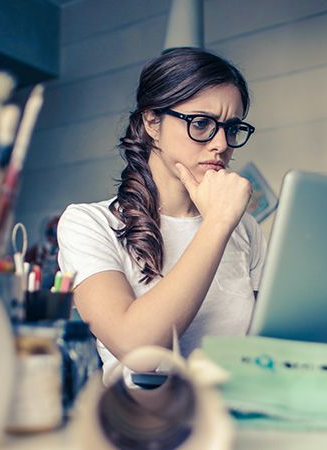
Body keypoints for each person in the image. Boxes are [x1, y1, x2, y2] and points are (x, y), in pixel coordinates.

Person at [57, 47, 266, 380]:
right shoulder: (89, 224)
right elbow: (139, 352)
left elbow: (261, 352)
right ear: (152, 122)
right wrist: (217, 224)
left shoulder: (246, 230)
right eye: (201, 123)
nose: (221, 144)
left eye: (231, 128)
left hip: (235, 419)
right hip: (141, 422)